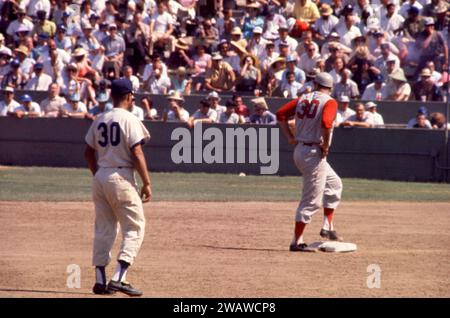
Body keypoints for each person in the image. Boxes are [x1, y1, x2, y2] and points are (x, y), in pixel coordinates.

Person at [84, 78, 151, 297]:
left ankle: (100, 281)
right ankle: (119, 278)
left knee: (104, 228)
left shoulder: (100, 118)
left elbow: (87, 151)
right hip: (121, 175)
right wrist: (147, 182)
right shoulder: (129, 119)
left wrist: (99, 175)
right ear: (130, 96)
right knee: (135, 226)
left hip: (101, 176)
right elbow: (137, 152)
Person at [276, 72, 343, 252]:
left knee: (334, 185)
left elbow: (280, 114)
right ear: (330, 87)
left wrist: (289, 137)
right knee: (311, 201)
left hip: (302, 149)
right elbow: (327, 123)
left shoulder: (303, 98)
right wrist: (327, 145)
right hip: (313, 152)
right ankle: (296, 241)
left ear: (315, 84)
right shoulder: (329, 101)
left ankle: (327, 227)